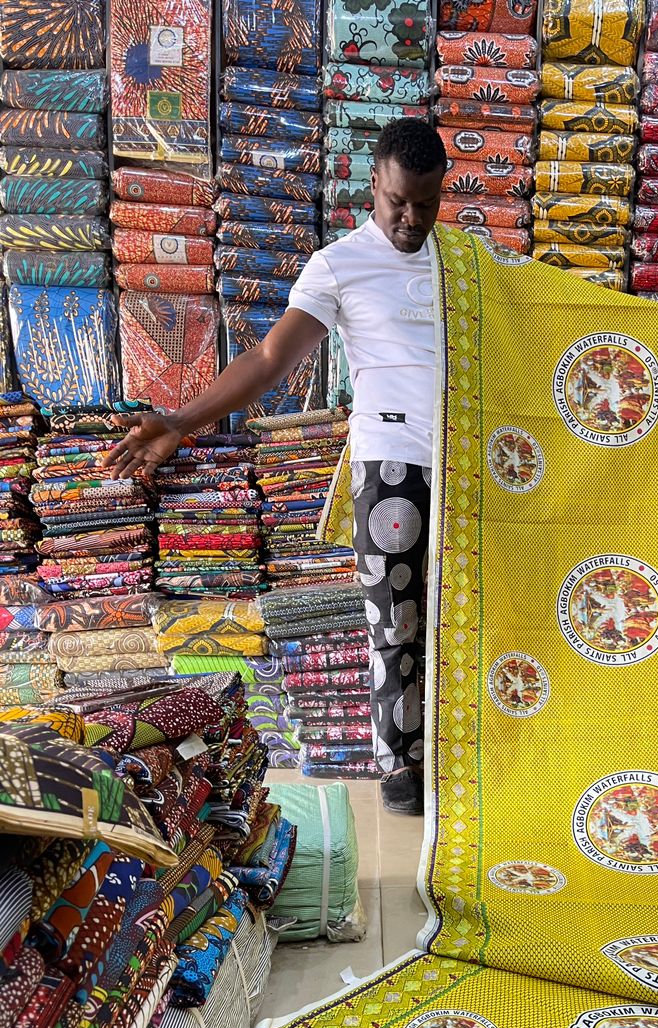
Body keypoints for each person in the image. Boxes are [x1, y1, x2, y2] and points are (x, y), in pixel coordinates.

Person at [107, 119, 448, 817]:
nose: (411, 219)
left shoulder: (467, 264)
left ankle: (482, 754)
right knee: (395, 623)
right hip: (390, 465)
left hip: (469, 463)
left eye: (425, 204)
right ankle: (402, 767)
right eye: (397, 203)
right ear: (373, 188)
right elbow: (268, 360)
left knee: (479, 613)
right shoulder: (340, 264)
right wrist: (181, 420)